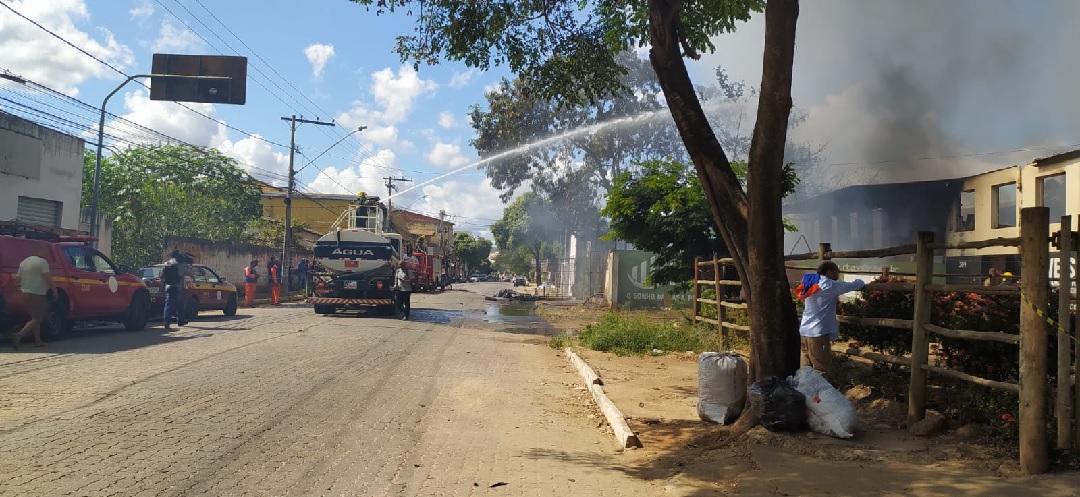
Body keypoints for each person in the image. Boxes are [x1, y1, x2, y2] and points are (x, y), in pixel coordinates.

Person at [795, 261, 886, 379]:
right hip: (818, 333)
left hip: (804, 330)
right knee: (821, 369)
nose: (838, 272)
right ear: (829, 271)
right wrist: (860, 281)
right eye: (836, 270)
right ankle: (820, 396)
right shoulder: (830, 285)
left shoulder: (810, 282)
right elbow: (855, 284)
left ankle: (805, 393)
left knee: (805, 367)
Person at [10, 248, 56, 349]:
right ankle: (19, 335)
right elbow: (47, 277)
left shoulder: (23, 262)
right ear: (39, 251)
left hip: (25, 293)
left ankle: (38, 340)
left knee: (34, 318)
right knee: (38, 318)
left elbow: (17, 278)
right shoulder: (42, 262)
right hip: (37, 293)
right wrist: (54, 290)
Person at [162, 250, 193, 329]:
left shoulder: (167, 263)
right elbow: (190, 274)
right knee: (180, 305)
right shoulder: (181, 264)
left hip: (168, 286)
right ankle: (180, 321)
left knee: (168, 304)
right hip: (178, 287)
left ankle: (166, 321)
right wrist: (190, 267)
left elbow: (161, 275)